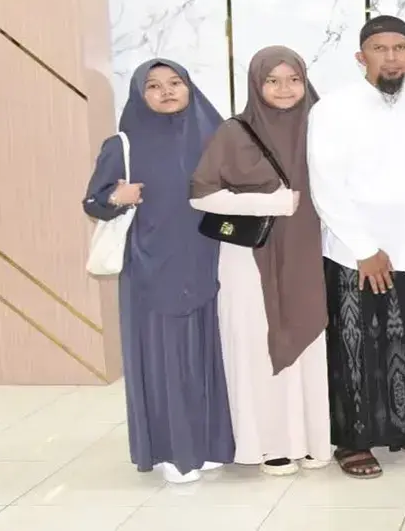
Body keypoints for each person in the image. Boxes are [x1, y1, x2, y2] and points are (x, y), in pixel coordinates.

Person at [307, 16, 405, 479]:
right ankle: (353, 441)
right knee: (356, 343)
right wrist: (365, 247)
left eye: (400, 48)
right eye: (379, 48)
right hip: (353, 250)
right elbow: (325, 184)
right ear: (360, 56)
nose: (391, 57)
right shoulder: (333, 109)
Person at [82, 59, 234, 484]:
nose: (166, 91)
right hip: (151, 269)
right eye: (153, 86)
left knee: (205, 357)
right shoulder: (124, 145)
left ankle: (210, 444)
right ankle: (171, 449)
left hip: (209, 263)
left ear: (189, 87)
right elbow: (93, 202)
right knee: (164, 360)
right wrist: (117, 196)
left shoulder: (215, 136)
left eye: (174, 83)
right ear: (140, 94)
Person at [190, 46, 331, 476]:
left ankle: (313, 439)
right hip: (250, 258)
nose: (284, 89)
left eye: (293, 79)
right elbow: (201, 194)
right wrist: (270, 202)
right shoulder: (234, 132)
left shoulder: (322, 127)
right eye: (273, 80)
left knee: (310, 342)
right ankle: (270, 444)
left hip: (309, 253)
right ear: (256, 84)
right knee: (258, 344)